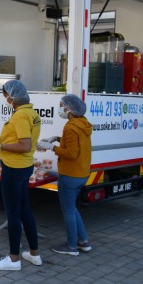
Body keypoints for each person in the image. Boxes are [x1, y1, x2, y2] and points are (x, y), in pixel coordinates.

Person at [0, 80, 42, 271]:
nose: (5, 99)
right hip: (25, 167)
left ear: (12, 96)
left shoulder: (20, 115)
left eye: (5, 96)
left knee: (13, 213)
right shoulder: (32, 113)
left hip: (13, 168)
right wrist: (0, 140)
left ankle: (13, 259)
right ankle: (34, 254)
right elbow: (19, 139)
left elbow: (24, 145)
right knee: (25, 210)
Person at [37, 94, 93, 256]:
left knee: (67, 210)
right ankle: (83, 242)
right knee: (72, 208)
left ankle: (71, 247)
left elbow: (71, 153)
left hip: (70, 174)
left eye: (61, 105)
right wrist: (56, 138)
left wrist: (50, 147)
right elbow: (74, 142)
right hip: (82, 173)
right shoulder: (83, 123)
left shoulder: (70, 126)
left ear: (69, 109)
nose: (60, 108)